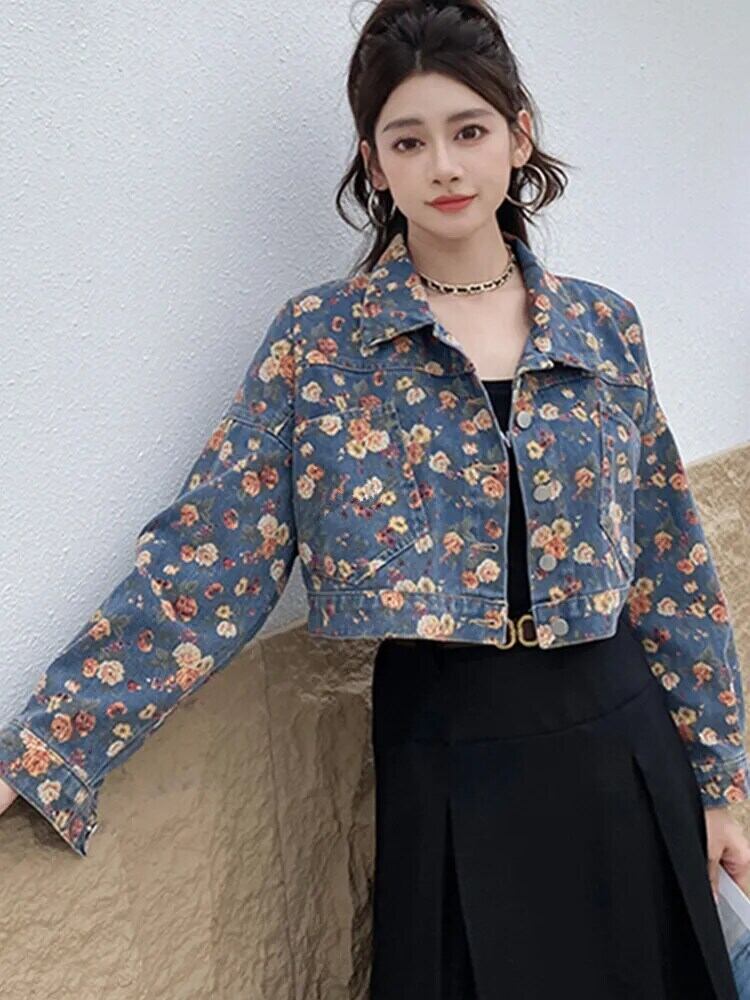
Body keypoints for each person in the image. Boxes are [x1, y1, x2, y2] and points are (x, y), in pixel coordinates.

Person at [1, 0, 749, 995]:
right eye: (409, 140)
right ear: (374, 162)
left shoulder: (603, 327)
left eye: (469, 131)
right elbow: (208, 557)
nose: (444, 165)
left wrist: (719, 781)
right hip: (447, 749)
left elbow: (672, 565)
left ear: (519, 137)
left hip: (622, 739)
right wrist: (46, 745)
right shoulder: (321, 347)